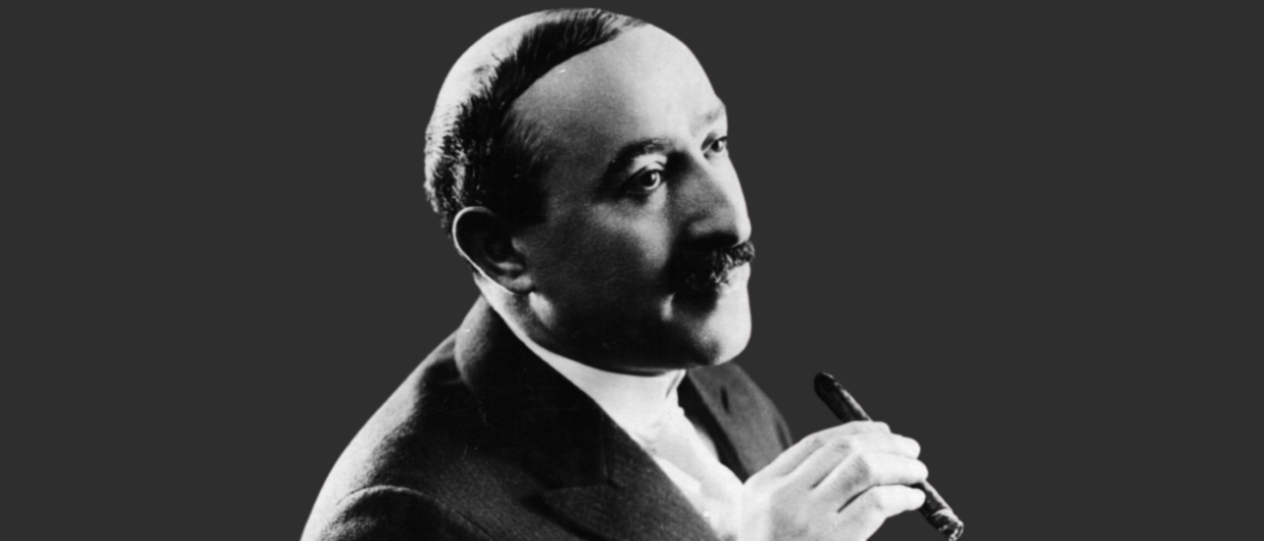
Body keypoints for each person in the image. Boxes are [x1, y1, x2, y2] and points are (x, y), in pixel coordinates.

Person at [302, 9, 928, 541]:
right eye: (646, 179)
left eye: (715, 144)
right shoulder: (403, 515)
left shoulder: (705, 375)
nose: (728, 219)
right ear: (502, 251)